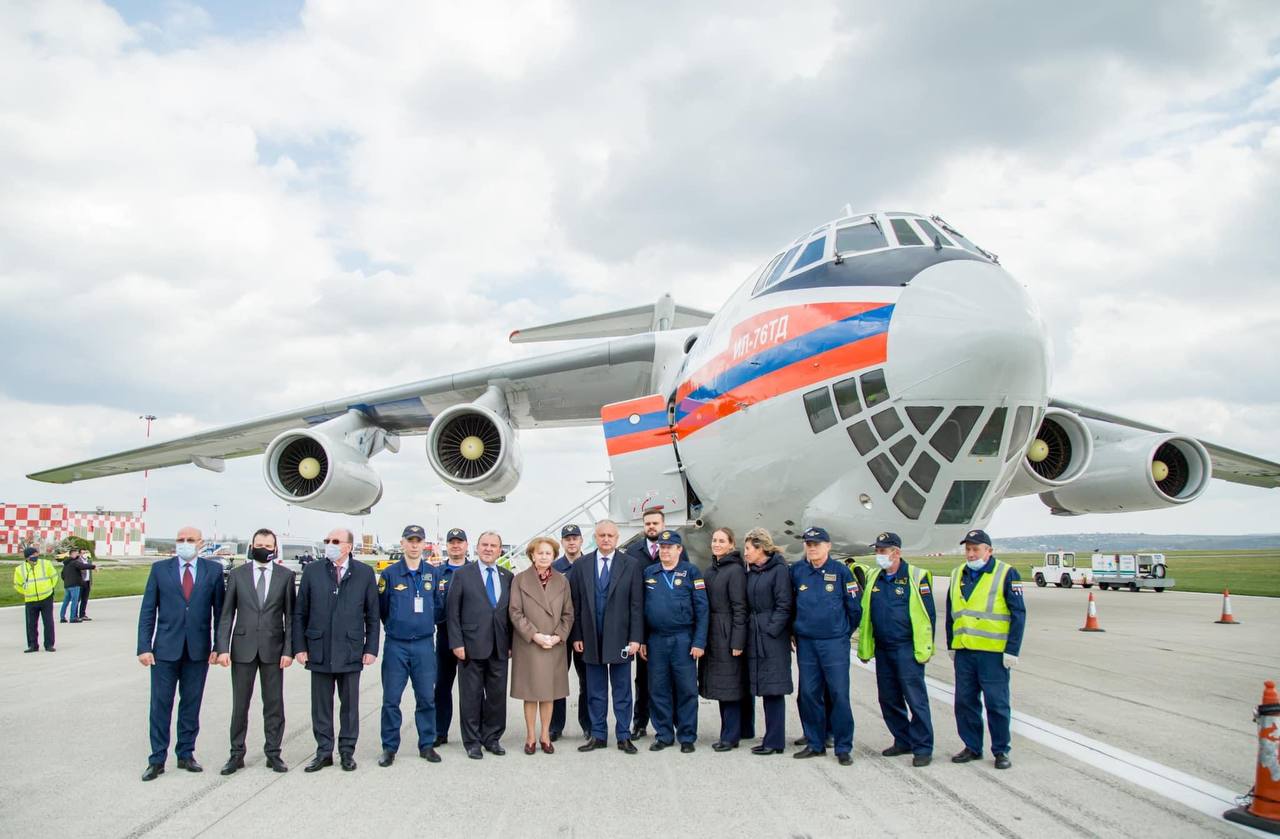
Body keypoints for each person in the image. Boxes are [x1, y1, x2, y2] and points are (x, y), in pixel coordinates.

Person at [136, 527, 226, 781]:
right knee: (160, 705)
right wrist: (144, 646)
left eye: (190, 540)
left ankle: (186, 753)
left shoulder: (213, 571)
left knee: (191, 704)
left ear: (200, 543)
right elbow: (148, 610)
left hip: (197, 651)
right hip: (164, 650)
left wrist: (219, 646)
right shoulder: (159, 569)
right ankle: (157, 759)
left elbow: (220, 613)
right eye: (180, 540)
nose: (184, 543)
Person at [293, 528, 379, 772]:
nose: (329, 544)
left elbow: (372, 615)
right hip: (319, 648)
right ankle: (324, 752)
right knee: (321, 706)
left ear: (349, 546)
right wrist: (300, 646)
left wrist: (371, 648)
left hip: (350, 649)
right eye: (327, 540)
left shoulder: (364, 573)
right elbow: (300, 612)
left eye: (335, 541)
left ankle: (347, 752)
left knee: (349, 705)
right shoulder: (312, 571)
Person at [215, 528, 296, 775]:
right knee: (240, 705)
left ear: (275, 549)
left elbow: (291, 617)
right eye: (259, 544)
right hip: (243, 649)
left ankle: (274, 753)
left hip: (274, 649)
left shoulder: (285, 576)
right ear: (251, 546)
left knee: (274, 705)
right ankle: (236, 753)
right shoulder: (237, 575)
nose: (263, 548)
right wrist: (222, 648)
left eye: (268, 545)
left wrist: (289, 650)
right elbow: (226, 615)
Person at [947, 529, 1026, 771]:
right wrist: (951, 644)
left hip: (992, 653)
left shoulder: (1006, 573)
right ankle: (972, 746)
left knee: (996, 704)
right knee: (964, 702)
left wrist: (1012, 650)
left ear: (988, 551)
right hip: (964, 651)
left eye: (975, 549)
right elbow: (952, 613)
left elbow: (1018, 613)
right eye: (968, 549)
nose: (971, 554)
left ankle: (1001, 750)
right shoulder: (957, 574)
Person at [856, 532, 936, 767]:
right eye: (877, 551)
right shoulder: (875, 577)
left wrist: (925, 647)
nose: (878, 555)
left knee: (915, 699)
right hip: (883, 648)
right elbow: (866, 612)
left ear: (896, 552)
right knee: (888, 698)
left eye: (882, 551)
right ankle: (903, 739)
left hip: (906, 648)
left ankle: (923, 747)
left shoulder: (915, 577)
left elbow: (928, 616)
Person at [567, 520, 643, 754]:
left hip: (621, 638)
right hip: (591, 636)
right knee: (595, 690)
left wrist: (635, 638)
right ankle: (598, 734)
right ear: (595, 538)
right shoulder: (581, 565)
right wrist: (577, 635)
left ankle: (623, 735)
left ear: (617, 538)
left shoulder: (631, 565)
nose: (606, 539)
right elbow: (575, 603)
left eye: (610, 535)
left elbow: (636, 604)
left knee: (622, 690)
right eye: (602, 535)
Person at [791, 526, 861, 766]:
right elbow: (790, 603)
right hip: (807, 643)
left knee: (838, 694)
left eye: (816, 544)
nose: (812, 548)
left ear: (828, 546)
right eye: (808, 544)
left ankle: (843, 746)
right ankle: (815, 742)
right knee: (809, 694)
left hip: (834, 643)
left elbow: (855, 608)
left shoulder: (841, 572)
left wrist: (842, 632)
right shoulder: (798, 571)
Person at [376, 525, 443, 767]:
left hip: (424, 645)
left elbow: (438, 606)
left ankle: (427, 744)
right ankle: (389, 747)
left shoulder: (432, 574)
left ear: (424, 544)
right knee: (391, 699)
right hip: (397, 645)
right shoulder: (390, 574)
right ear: (402, 543)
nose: (414, 545)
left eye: (418, 541)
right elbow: (383, 608)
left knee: (426, 698)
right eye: (410, 540)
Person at [446, 531, 514, 759]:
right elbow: (452, 612)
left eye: (493, 546)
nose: (488, 549)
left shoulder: (507, 576)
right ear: (477, 547)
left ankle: (492, 738)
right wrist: (456, 642)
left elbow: (510, 613)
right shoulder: (463, 575)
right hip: (470, 646)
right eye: (484, 544)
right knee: (471, 697)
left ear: (500, 550)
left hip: (500, 646)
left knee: (496, 696)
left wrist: (511, 643)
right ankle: (472, 741)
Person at [641, 530, 708, 753]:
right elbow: (641, 609)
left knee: (686, 689)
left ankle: (687, 736)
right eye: (662, 547)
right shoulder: (650, 573)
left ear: (679, 549)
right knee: (658, 689)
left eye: (670, 547)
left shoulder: (691, 572)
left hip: (683, 639)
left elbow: (702, 609)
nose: (665, 551)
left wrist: (699, 641)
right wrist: (642, 640)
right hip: (656, 640)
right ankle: (664, 734)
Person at [509, 536, 574, 754]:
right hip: (529, 643)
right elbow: (515, 612)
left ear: (554, 556)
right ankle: (530, 737)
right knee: (531, 693)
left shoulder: (562, 581)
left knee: (548, 693)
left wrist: (557, 637)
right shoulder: (519, 580)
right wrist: (534, 635)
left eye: (548, 553)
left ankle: (545, 735)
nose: (544, 556)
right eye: (540, 553)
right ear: (532, 555)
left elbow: (568, 614)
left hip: (553, 644)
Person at [623, 507, 684, 739]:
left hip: (671, 626)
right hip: (645, 628)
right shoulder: (632, 553)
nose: (651, 527)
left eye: (655, 523)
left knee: (673, 679)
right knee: (643, 679)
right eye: (647, 523)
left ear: (663, 525)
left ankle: (675, 722)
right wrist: (638, 636)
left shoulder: (678, 549)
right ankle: (640, 723)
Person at [699, 527, 755, 751]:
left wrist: (737, 641)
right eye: (714, 540)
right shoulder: (711, 570)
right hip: (714, 634)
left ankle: (730, 737)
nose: (716, 544)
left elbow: (740, 608)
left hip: (727, 634)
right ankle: (738, 730)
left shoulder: (735, 571)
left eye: (722, 541)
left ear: (732, 544)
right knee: (723, 685)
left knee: (730, 686)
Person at [742, 528, 792, 755]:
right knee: (763, 686)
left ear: (760, 548)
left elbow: (784, 604)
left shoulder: (779, 571)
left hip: (771, 638)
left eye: (748, 549)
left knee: (773, 689)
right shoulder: (753, 572)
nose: (745, 553)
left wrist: (771, 630)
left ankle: (775, 741)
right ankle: (769, 737)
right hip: (756, 634)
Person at [550, 524, 589, 741]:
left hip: (584, 632)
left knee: (587, 681)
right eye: (567, 538)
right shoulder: (554, 567)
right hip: (560, 633)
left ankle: (588, 724)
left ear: (581, 540)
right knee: (557, 680)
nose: (572, 542)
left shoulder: (590, 564)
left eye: (575, 538)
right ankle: (555, 726)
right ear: (562, 542)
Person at [433, 527, 470, 746]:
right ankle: (440, 731)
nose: (455, 546)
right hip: (445, 636)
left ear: (466, 545)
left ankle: (473, 732)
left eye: (459, 542)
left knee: (471, 689)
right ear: (447, 546)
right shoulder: (437, 573)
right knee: (442, 686)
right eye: (452, 542)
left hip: (469, 638)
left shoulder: (474, 571)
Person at [14, 546, 59, 653]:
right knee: (31, 624)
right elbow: (17, 585)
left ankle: (49, 644)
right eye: (33, 555)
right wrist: (27, 592)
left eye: (36, 554)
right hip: (30, 599)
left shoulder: (45, 564)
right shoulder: (19, 569)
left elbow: (54, 577)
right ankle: (33, 645)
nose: (35, 557)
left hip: (46, 597)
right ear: (27, 558)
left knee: (48, 622)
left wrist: (49, 588)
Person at [59, 549, 88, 624]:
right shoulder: (74, 562)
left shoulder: (66, 563)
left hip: (67, 585)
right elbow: (82, 566)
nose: (77, 555)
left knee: (66, 601)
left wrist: (67, 580)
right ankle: (73, 617)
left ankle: (62, 617)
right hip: (74, 584)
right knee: (75, 601)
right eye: (76, 553)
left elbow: (62, 574)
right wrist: (93, 566)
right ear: (72, 554)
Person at [77, 548, 98, 620]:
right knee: (77, 599)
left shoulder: (88, 561)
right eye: (83, 553)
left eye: (85, 552)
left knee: (84, 599)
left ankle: (82, 614)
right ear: (79, 554)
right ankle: (75, 615)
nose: (84, 554)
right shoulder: (78, 561)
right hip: (80, 582)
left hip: (87, 582)